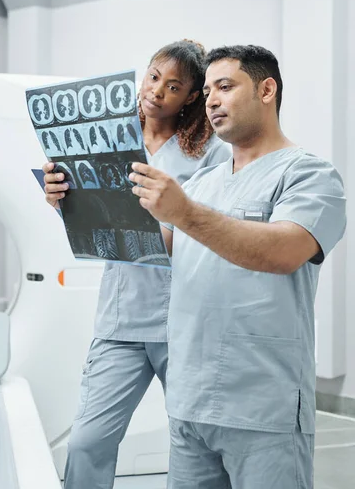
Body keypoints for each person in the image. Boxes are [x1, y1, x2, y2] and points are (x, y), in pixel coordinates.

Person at [129, 44, 346, 489]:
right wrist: (73, 204)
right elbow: (156, 249)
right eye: (207, 90)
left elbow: (283, 251)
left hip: (262, 406)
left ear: (267, 90)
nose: (210, 100)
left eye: (225, 87)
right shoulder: (203, 183)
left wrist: (185, 212)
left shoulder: (310, 175)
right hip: (189, 400)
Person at [43, 39, 231, 489]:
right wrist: (59, 199)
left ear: (191, 96)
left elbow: (214, 225)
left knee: (198, 444)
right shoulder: (104, 138)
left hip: (181, 320)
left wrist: (168, 223)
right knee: (88, 441)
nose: (157, 91)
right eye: (153, 77)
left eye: (173, 86)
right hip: (121, 319)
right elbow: (94, 215)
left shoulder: (207, 152)